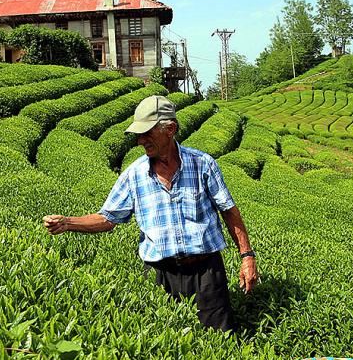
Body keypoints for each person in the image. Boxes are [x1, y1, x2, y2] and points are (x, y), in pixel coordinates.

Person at [43, 95, 258, 331]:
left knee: (219, 340)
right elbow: (107, 218)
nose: (140, 141)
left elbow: (229, 211)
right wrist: (68, 223)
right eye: (138, 134)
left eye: (147, 133)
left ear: (170, 129)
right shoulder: (133, 174)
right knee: (166, 343)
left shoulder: (203, 164)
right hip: (159, 274)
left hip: (206, 272)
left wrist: (247, 256)